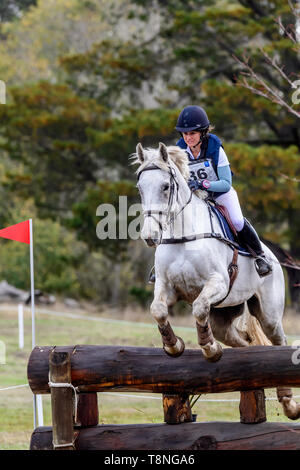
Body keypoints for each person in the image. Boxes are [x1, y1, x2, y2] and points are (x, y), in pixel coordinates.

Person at [174, 105, 272, 277]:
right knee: (174, 217)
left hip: (220, 194)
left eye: (192, 133)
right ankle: (163, 265)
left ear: (202, 132)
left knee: (237, 221)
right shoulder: (179, 149)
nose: (188, 137)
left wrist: (204, 184)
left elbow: (226, 183)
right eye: (185, 133)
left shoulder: (215, 148)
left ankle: (260, 256)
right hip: (196, 197)